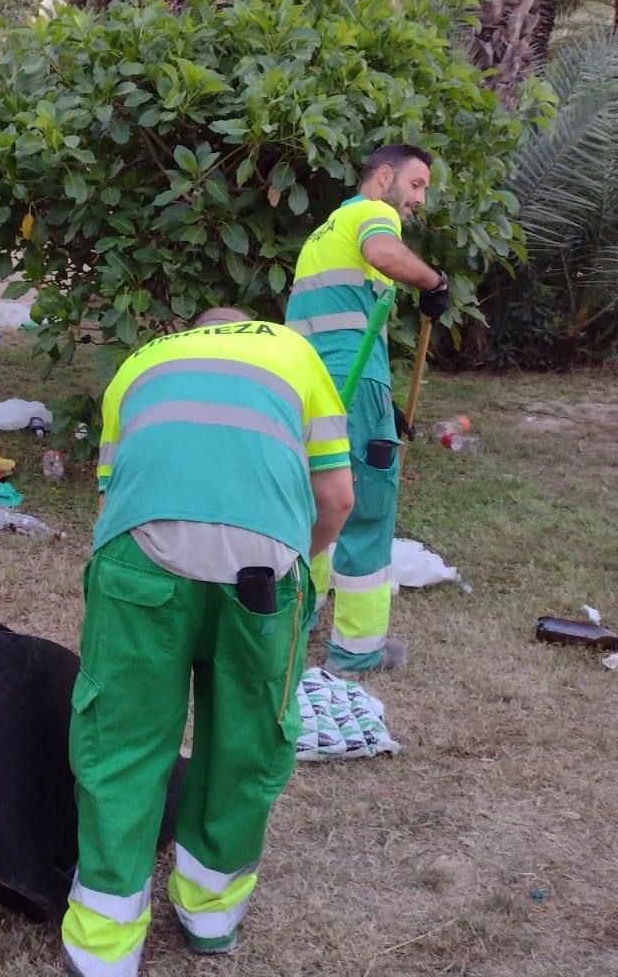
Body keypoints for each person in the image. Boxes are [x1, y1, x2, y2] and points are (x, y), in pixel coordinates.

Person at [61, 309, 355, 975]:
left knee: (122, 741)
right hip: (262, 570)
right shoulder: (293, 352)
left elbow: (115, 502)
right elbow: (336, 498)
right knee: (247, 739)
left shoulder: (138, 364)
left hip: (142, 563)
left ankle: (103, 948)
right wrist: (293, 574)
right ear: (246, 325)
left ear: (191, 330)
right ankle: (209, 911)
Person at [284, 144, 452, 674]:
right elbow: (384, 253)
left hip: (305, 388)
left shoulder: (323, 233)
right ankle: (358, 652)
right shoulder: (373, 214)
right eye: (417, 184)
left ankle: (294, 621)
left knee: (311, 506)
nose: (418, 199)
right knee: (367, 512)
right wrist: (435, 282)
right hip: (353, 385)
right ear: (384, 177)